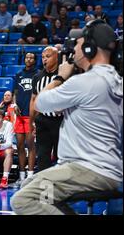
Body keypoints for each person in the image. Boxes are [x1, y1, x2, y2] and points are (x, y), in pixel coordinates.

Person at [12, 20, 122, 215]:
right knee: (32, 184)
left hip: (88, 169)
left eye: (78, 44)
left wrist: (60, 77)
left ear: (89, 48)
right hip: (104, 168)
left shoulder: (88, 81)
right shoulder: (114, 79)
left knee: (23, 199)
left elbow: (41, 102)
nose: (73, 50)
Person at [29, 47, 63, 172]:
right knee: (42, 156)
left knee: (61, 155)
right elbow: (33, 100)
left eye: (48, 56)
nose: (45, 59)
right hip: (42, 120)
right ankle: (46, 188)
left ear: (56, 57)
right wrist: (31, 122)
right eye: (43, 57)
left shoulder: (63, 75)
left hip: (61, 121)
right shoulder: (37, 77)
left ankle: (62, 185)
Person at [13, 52, 39, 186]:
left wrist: (35, 114)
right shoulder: (19, 74)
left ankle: (30, 176)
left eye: (31, 57)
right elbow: (15, 93)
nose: (28, 59)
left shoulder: (38, 74)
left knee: (31, 145)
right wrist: (14, 104)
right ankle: (22, 176)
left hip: (31, 115)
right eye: (27, 57)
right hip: (19, 115)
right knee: (20, 145)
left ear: (34, 60)